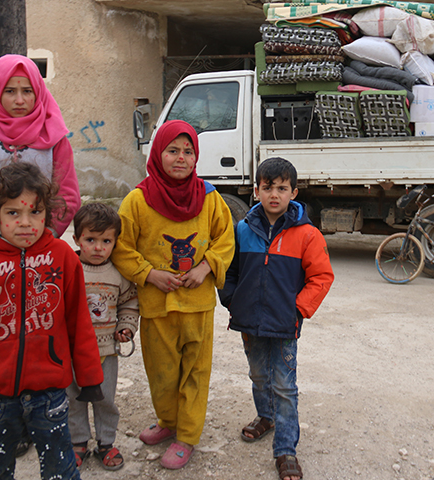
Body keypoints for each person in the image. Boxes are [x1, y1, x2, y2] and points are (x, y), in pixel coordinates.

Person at [0, 162, 104, 480]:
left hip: (50, 394)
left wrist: (90, 377)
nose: (26, 223)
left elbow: (78, 322)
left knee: (61, 470)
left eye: (35, 213)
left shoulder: (62, 258)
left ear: (47, 214)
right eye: (14, 213)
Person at [111, 119, 235, 470]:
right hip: (156, 304)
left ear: (197, 157)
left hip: (197, 305)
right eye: (172, 151)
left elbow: (225, 239)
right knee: (162, 372)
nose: (181, 158)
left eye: (188, 151)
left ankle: (187, 436)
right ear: (157, 153)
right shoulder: (137, 201)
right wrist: (150, 274)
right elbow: (120, 246)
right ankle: (168, 421)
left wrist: (205, 267)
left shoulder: (210, 199)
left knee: (196, 371)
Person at [218, 157, 334, 480]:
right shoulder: (242, 229)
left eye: (282, 188)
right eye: (267, 187)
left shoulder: (307, 235)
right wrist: (231, 300)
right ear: (256, 191)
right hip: (249, 323)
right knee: (258, 375)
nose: (274, 194)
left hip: (284, 326)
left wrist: (297, 310)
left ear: (293, 193)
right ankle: (265, 416)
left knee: (284, 385)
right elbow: (230, 271)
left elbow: (322, 277)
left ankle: (285, 449)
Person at [0, 53, 80, 238]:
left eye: (27, 91)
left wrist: (45, 236)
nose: (20, 100)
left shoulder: (55, 141)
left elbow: (68, 196)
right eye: (10, 91)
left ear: (38, 92)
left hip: (42, 246)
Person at [67, 203, 140, 470]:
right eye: (90, 240)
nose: (98, 248)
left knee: (105, 399)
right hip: (72, 352)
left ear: (115, 242)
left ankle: (106, 443)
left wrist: (127, 327)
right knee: (73, 398)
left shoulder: (119, 274)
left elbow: (129, 304)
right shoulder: (68, 269)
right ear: (76, 239)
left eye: (106, 241)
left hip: (106, 352)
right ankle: (78, 442)